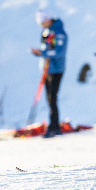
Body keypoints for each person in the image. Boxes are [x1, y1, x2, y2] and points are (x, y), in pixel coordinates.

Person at [30, 9, 68, 138]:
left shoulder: (59, 33)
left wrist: (43, 53)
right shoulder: (46, 32)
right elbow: (46, 48)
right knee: (49, 98)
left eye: (42, 22)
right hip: (47, 69)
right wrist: (40, 52)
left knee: (52, 98)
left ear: (48, 19)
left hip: (56, 69)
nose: (41, 25)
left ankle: (54, 126)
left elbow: (58, 52)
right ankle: (53, 124)